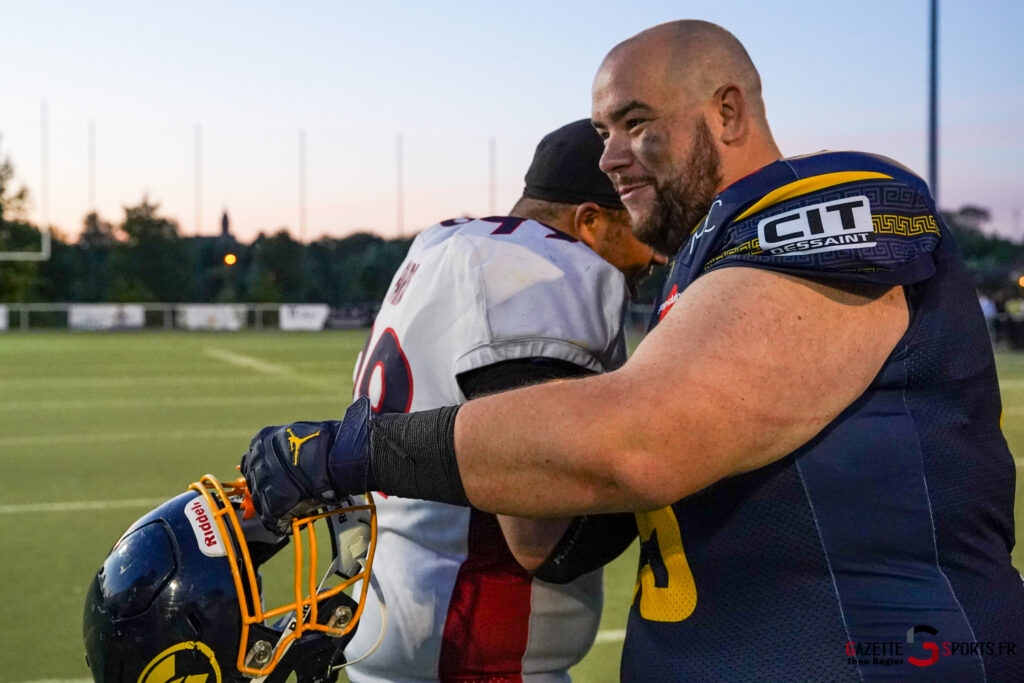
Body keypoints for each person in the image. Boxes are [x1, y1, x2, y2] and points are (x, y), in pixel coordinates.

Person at [243, 21, 1024, 681]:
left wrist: (346, 453)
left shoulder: (839, 199)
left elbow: (638, 439)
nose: (611, 156)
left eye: (636, 122)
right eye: (603, 132)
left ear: (726, 112)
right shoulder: (699, 263)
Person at [334, 119, 661, 682]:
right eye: (638, 223)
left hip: (391, 615)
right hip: (472, 645)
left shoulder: (442, 243)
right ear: (589, 219)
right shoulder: (545, 268)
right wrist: (682, 467)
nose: (653, 255)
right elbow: (542, 537)